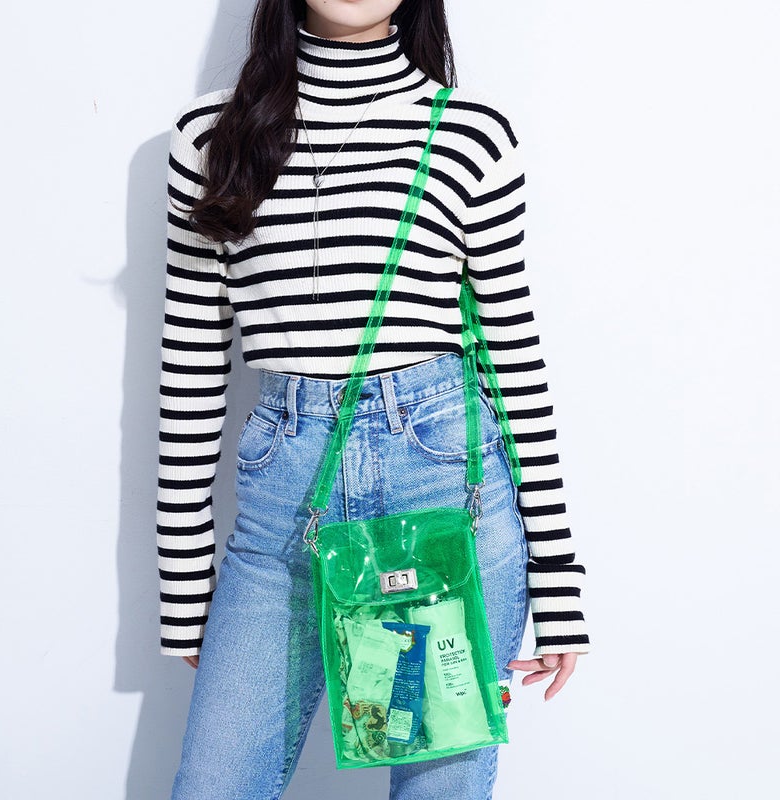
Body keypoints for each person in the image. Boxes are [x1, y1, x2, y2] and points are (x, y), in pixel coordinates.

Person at [156, 1, 591, 797]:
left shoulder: (471, 134)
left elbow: (515, 360)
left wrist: (560, 580)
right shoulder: (211, 136)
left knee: (436, 787)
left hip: (445, 496)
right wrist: (183, 583)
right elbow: (190, 365)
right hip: (282, 509)